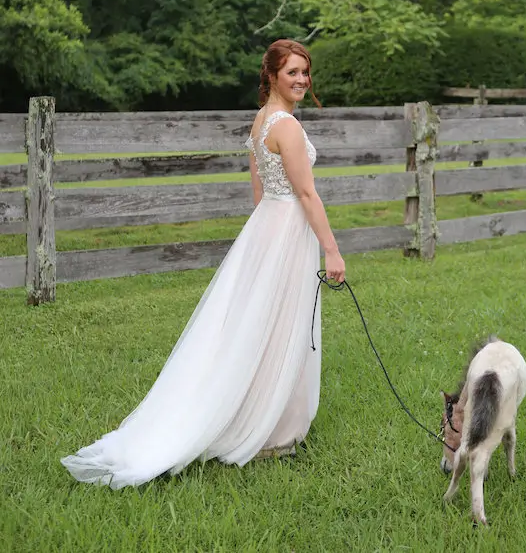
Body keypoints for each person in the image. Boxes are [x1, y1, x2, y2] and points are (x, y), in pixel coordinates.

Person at [61, 39, 345, 488]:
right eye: (293, 71)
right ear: (272, 75)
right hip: (287, 227)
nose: (302, 80)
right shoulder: (285, 126)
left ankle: (264, 418)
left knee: (262, 324)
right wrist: (330, 248)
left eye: (305, 72)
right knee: (280, 325)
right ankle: (271, 430)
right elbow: (306, 194)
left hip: (268, 226)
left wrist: (262, 241)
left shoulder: (259, 123)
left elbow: (259, 192)